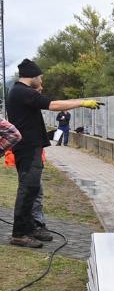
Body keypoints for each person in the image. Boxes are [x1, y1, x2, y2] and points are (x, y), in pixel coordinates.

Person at [6, 58, 102, 248]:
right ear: (32, 77)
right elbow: (53, 105)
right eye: (40, 78)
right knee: (27, 189)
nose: (41, 81)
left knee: (33, 189)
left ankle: (31, 227)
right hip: (26, 147)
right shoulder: (21, 91)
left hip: (31, 146)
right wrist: (82, 102)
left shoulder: (23, 92)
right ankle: (19, 234)